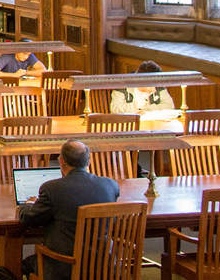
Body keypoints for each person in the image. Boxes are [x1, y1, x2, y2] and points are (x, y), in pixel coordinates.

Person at [18, 141, 121, 280]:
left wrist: (24, 206)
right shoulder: (111, 185)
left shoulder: (52, 189)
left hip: (64, 267)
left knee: (23, 265)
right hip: (102, 266)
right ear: (89, 161)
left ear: (61, 161)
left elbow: (29, 219)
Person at [108, 60, 176, 115]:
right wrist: (137, 106)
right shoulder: (122, 87)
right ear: (142, 81)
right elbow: (115, 110)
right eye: (152, 85)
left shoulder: (159, 87)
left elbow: (170, 106)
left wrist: (147, 110)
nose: (154, 89)